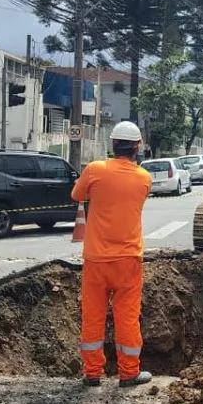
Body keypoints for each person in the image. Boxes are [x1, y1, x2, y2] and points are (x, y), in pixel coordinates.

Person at [70, 121, 154, 388]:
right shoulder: (144, 178)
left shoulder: (95, 170)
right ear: (137, 147)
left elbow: (77, 194)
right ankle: (129, 373)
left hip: (96, 260)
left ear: (113, 144)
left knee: (92, 315)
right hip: (129, 260)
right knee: (127, 317)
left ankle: (92, 373)